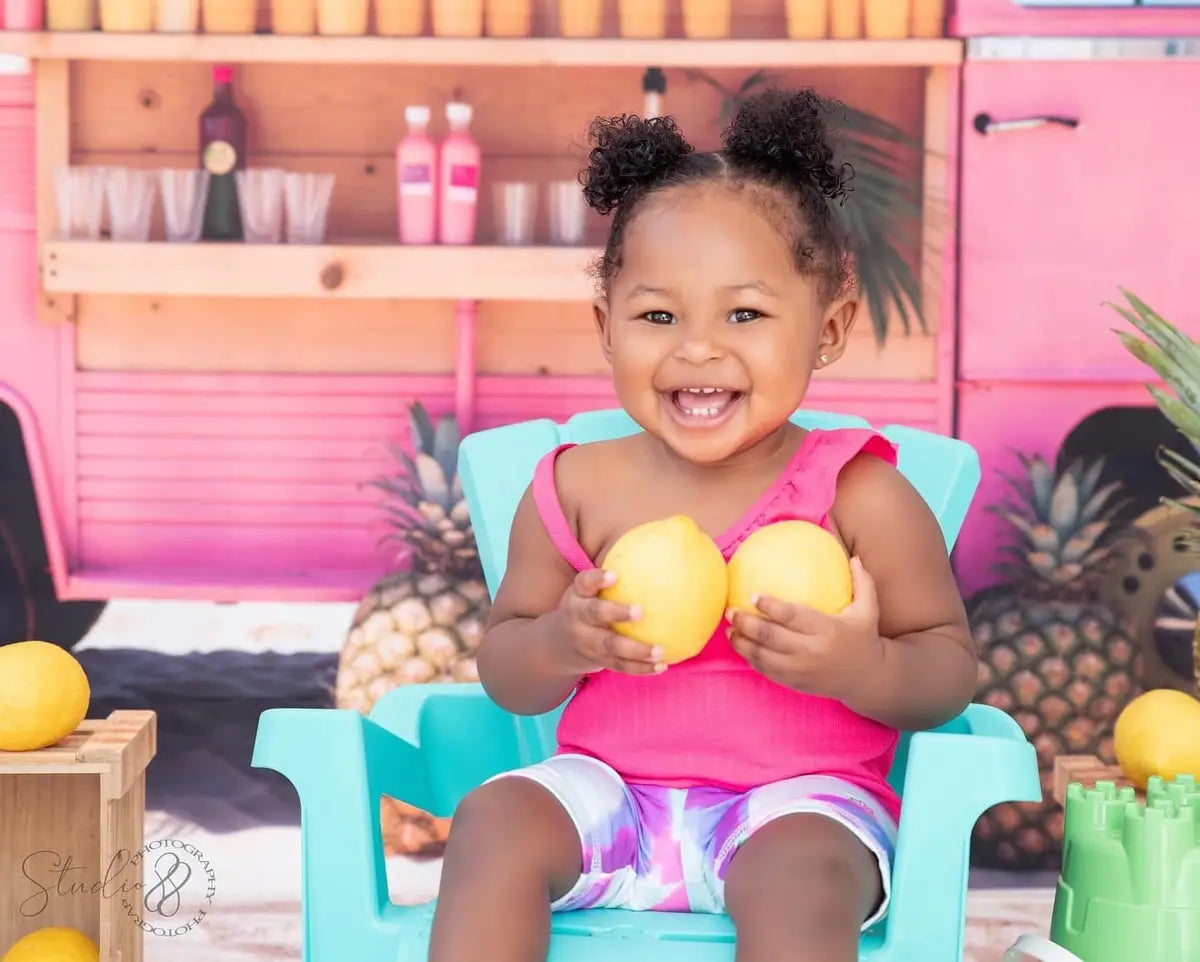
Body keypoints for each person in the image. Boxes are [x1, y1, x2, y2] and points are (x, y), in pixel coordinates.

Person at [427, 87, 978, 962]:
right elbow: (507, 670)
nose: (698, 349)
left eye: (746, 314)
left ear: (828, 328)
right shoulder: (576, 487)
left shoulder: (862, 495)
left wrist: (860, 665)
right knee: (495, 820)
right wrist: (565, 641)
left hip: (801, 801)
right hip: (611, 795)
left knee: (796, 877)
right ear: (607, 326)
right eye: (658, 316)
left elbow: (947, 669)